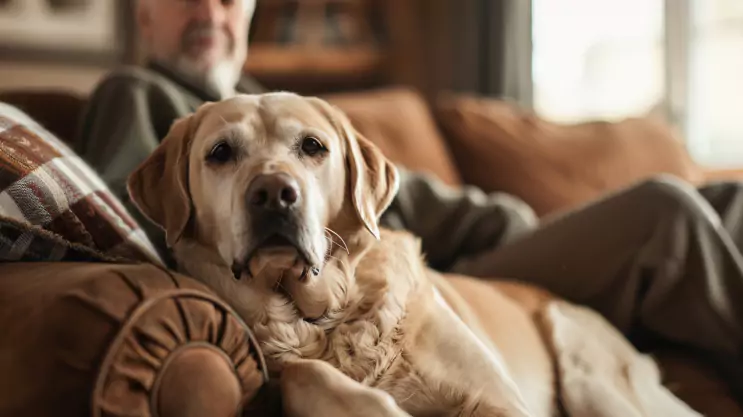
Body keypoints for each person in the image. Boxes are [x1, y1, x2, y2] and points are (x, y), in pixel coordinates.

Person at [78, 0, 743, 380]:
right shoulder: (140, 97)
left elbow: (424, 201)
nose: (208, 10)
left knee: (724, 202)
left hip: (465, 263)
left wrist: (546, 234)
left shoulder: (288, 114)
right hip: (428, 295)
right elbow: (127, 226)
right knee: (667, 211)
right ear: (144, 15)